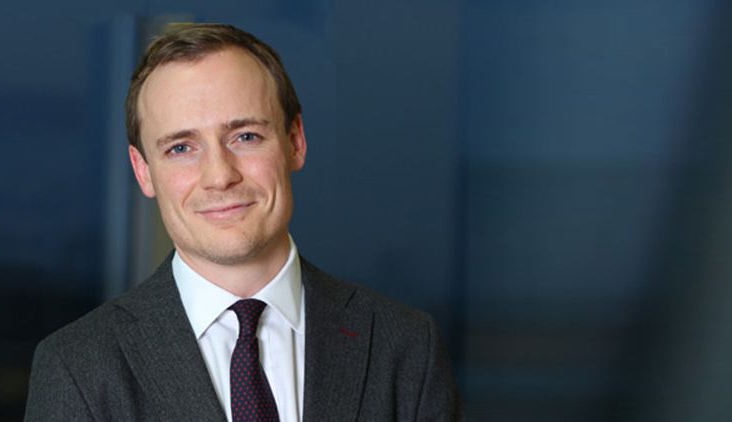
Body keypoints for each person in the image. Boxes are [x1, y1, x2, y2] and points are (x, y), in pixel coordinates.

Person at [24, 23, 462, 421]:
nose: (220, 176)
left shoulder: (405, 347)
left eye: (245, 137)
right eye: (181, 148)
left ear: (295, 141)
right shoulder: (79, 367)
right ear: (143, 171)